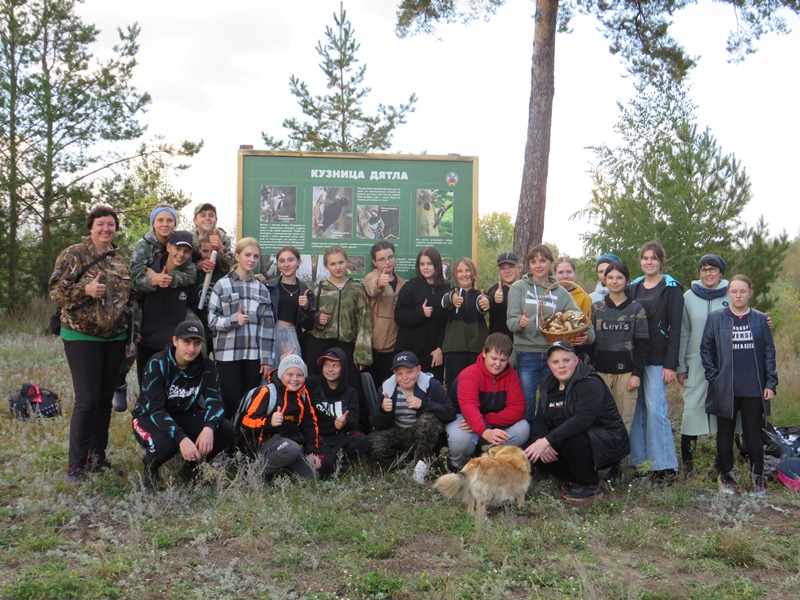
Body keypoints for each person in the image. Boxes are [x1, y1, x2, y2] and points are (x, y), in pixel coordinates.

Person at [49, 204, 134, 481]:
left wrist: (130, 336)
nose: (106, 229)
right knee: (86, 400)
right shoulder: (74, 254)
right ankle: (76, 466)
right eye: (101, 224)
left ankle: (98, 457)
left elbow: (128, 301)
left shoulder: (119, 261)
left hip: (115, 338)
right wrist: (84, 289)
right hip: (81, 336)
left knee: (103, 401)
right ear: (91, 227)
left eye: (110, 224)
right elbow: (55, 290)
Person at [132, 321, 235, 489]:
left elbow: (215, 402)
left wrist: (209, 428)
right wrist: (182, 439)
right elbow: (156, 409)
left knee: (226, 430)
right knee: (166, 445)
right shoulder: (157, 363)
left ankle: (191, 470)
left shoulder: (207, 365)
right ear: (175, 341)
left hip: (184, 414)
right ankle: (150, 470)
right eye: (186, 342)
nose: (192, 349)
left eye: (197, 343)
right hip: (149, 416)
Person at [524, 341, 629, 503]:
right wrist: (540, 440)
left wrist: (547, 441)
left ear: (576, 361)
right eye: (556, 362)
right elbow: (541, 419)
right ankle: (575, 477)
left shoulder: (590, 382)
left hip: (606, 442)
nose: (561, 366)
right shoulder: (547, 385)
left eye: (566, 360)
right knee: (531, 450)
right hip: (571, 441)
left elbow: (582, 420)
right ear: (549, 364)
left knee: (571, 437)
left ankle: (590, 485)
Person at [701, 275, 777, 496]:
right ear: (728, 293)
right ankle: (726, 476)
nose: (738, 295)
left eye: (742, 291)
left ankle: (758, 480)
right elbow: (706, 349)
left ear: (749, 293)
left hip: (754, 387)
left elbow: (769, 353)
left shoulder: (761, 319)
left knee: (753, 435)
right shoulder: (716, 319)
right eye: (734, 291)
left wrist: (770, 382)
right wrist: (714, 377)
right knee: (724, 434)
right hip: (726, 387)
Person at [507, 244, 593, 422]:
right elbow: (510, 321)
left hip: (552, 356)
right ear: (528, 265)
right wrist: (519, 322)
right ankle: (527, 444)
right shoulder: (519, 287)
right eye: (533, 261)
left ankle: (549, 443)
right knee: (527, 402)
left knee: (552, 402)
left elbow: (582, 318)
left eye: (543, 260)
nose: (538, 265)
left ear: (550, 263)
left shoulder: (561, 292)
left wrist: (589, 336)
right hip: (526, 353)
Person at [628, 241, 683, 480]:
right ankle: (640, 462)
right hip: (634, 358)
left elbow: (676, 328)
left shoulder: (671, 287)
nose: (649, 262)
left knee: (655, 411)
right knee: (637, 410)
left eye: (653, 258)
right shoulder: (634, 287)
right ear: (640, 261)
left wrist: (671, 364)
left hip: (658, 359)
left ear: (661, 261)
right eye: (645, 258)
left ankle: (664, 465)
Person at [208, 237, 276, 419]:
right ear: (237, 256)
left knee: (250, 400)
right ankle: (228, 441)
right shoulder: (222, 285)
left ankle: (244, 441)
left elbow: (267, 327)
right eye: (247, 255)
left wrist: (267, 359)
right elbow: (212, 321)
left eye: (256, 256)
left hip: (253, 356)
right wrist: (233, 320)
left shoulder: (261, 289)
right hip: (227, 354)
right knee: (229, 399)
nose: (251, 260)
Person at [306, 245, 372, 429]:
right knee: (317, 387)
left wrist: (362, 355)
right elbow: (306, 319)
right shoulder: (318, 288)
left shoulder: (357, 289)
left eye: (341, 262)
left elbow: (364, 323)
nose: (338, 267)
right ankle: (316, 429)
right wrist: (317, 319)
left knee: (353, 387)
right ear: (326, 266)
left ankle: (357, 430)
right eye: (333, 263)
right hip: (319, 344)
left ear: (347, 262)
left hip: (345, 346)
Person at [676, 254, 730, 474]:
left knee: (725, 411)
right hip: (695, 362)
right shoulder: (688, 296)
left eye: (713, 269)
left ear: (721, 272)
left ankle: (722, 462)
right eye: (704, 269)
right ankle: (688, 463)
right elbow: (682, 332)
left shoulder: (731, 293)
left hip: (726, 363)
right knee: (692, 410)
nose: (708, 273)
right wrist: (680, 364)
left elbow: (747, 318)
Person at [445, 332, 530, 470]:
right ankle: (459, 465)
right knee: (460, 439)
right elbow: (469, 407)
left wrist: (486, 423)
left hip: (491, 420)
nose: (498, 364)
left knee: (523, 428)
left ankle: (490, 459)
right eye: (494, 358)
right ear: (484, 352)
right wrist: (484, 430)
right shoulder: (469, 374)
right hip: (463, 418)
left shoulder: (511, 375)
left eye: (503, 360)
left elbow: (518, 409)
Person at [369, 352, 455, 481]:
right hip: (399, 432)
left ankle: (422, 466)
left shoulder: (431, 385)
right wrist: (383, 411)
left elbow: (450, 412)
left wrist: (423, 404)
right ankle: (402, 466)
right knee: (371, 441)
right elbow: (375, 423)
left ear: (418, 370)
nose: (404, 377)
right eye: (399, 374)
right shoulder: (386, 388)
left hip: (423, 436)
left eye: (409, 372)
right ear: (394, 374)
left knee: (427, 421)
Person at [239, 354, 321, 480]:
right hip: (262, 443)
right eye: (290, 374)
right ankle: (254, 474)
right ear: (281, 374)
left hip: (288, 444)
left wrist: (311, 452)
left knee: (313, 476)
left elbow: (310, 424)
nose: (295, 379)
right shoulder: (267, 392)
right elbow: (246, 421)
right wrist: (269, 422)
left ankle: (279, 474)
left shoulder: (303, 395)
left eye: (299, 375)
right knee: (292, 449)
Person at [590, 262, 649, 433]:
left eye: (619, 277)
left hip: (626, 374)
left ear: (626, 280)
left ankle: (621, 459)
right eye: (610, 277)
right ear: (604, 280)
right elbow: (590, 342)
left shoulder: (636, 308)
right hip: (600, 373)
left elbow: (643, 345)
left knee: (624, 421)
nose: (614, 281)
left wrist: (636, 374)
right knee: (600, 419)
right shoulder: (597, 308)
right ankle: (602, 459)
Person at [135, 230, 199, 386]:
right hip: (147, 346)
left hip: (175, 350)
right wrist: (154, 279)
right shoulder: (147, 271)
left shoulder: (189, 277)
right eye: (177, 249)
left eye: (186, 251)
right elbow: (135, 300)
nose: (181, 255)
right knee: (148, 395)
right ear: (168, 247)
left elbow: (193, 305)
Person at [306, 348, 371, 476]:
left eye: (335, 366)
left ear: (343, 368)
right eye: (327, 365)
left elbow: (354, 420)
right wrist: (288, 362)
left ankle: (343, 460)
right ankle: (334, 462)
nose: (330, 369)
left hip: (343, 435)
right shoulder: (313, 384)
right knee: (325, 468)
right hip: (322, 437)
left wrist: (344, 423)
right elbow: (293, 380)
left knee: (363, 441)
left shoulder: (350, 391)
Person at [394, 247, 451, 383]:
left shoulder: (447, 290)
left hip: (433, 355)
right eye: (422, 264)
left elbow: (448, 324)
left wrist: (440, 348)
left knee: (430, 394)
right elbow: (399, 316)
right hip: (409, 353)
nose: (425, 267)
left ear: (437, 264)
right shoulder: (410, 287)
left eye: (429, 264)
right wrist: (420, 312)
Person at [441, 257, 490, 386]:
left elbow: (484, 303)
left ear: (473, 273)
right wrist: (452, 298)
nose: (464, 274)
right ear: (455, 276)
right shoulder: (451, 293)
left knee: (476, 385)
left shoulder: (481, 294)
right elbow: (445, 301)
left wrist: (485, 303)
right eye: (460, 271)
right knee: (454, 386)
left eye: (467, 270)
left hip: (477, 349)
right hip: (454, 350)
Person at [130, 203, 197, 294]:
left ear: (174, 224)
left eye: (169, 220)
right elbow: (135, 280)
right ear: (153, 223)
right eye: (160, 220)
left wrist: (165, 277)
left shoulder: (180, 242)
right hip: (147, 298)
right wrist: (155, 280)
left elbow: (191, 274)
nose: (165, 224)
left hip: (173, 296)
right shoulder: (143, 245)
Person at [364, 241, 406, 382]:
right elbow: (372, 288)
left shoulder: (402, 283)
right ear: (375, 262)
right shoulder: (372, 277)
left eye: (390, 257)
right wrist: (380, 283)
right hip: (375, 347)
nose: (387, 262)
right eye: (382, 259)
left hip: (395, 347)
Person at [265, 246, 315, 359]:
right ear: (277, 264)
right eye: (282, 261)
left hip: (294, 336)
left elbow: (310, 325)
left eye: (290, 260)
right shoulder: (269, 287)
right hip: (271, 335)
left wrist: (306, 307)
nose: (286, 264)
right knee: (271, 374)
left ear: (298, 262)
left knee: (293, 372)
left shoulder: (306, 291)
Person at [194, 230, 228, 354]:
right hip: (200, 327)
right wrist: (197, 267)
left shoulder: (223, 270)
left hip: (218, 329)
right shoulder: (193, 270)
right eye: (205, 251)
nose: (209, 256)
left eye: (213, 251)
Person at [192, 202, 234, 275]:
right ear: (195, 220)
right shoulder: (188, 238)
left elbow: (232, 266)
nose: (207, 218)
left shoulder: (223, 238)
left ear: (216, 220)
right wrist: (198, 266)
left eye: (211, 215)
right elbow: (182, 265)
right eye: (203, 215)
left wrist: (221, 249)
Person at [487, 252, 521, 337]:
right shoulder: (495, 289)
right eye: (503, 268)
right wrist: (494, 298)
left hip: (521, 344)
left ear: (519, 268)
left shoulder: (525, 289)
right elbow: (490, 297)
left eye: (511, 267)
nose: (507, 271)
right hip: (499, 345)